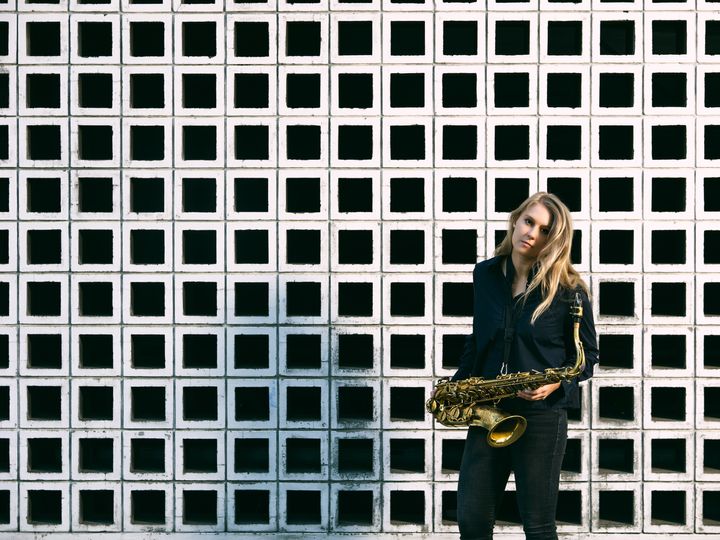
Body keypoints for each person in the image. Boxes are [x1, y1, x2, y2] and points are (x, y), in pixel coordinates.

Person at [453, 192, 599, 540]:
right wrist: (459, 386)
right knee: (471, 521)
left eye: (545, 230)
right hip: (489, 408)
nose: (532, 233)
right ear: (516, 219)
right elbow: (478, 340)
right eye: (529, 221)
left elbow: (587, 356)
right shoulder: (485, 274)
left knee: (537, 526)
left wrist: (556, 385)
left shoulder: (568, 290)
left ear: (554, 240)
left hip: (542, 417)